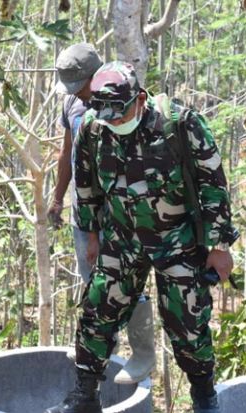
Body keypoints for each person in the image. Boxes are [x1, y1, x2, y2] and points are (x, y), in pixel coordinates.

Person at [46, 62, 238, 413]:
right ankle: (85, 395)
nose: (115, 121)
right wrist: (91, 235)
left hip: (177, 240)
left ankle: (203, 396)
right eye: (108, 116)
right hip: (121, 238)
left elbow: (213, 184)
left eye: (120, 113)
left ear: (141, 99)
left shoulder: (180, 124)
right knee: (97, 311)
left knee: (187, 324)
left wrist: (219, 245)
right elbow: (86, 185)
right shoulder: (93, 126)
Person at [48, 43, 156, 385]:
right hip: (87, 210)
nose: (77, 95)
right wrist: (57, 197)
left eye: (79, 86)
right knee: (92, 277)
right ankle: (100, 345)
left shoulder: (122, 100)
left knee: (129, 280)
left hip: (122, 210)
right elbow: (67, 153)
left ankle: (142, 353)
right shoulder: (72, 104)